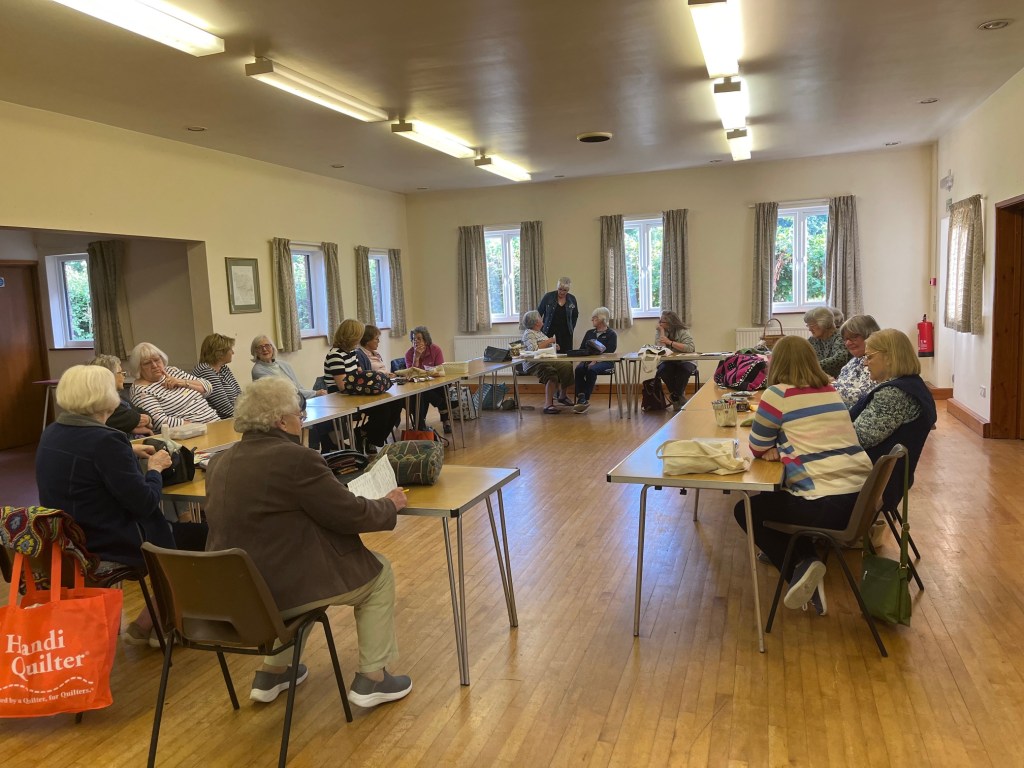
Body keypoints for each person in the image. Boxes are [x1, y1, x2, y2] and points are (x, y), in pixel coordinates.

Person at [204, 377, 413, 708]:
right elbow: (349, 514)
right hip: (279, 588)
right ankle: (373, 678)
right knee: (378, 573)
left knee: (314, 575)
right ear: (280, 421)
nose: (302, 421)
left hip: (237, 593)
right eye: (298, 415)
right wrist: (389, 505)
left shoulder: (219, 462)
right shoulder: (296, 459)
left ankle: (273, 672)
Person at [36, 364, 175, 646]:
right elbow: (145, 503)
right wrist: (155, 469)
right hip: (103, 542)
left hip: (65, 538)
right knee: (190, 537)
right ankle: (157, 622)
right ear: (106, 397)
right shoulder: (107, 441)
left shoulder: (52, 431)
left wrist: (128, 450)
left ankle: (148, 624)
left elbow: (85, 457)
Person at [732, 336, 872, 616]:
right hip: (862, 500)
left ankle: (800, 568)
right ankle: (805, 561)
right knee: (781, 496)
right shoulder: (830, 391)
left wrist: (773, 446)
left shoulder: (778, 394)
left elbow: (757, 446)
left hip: (824, 502)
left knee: (747, 508)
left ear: (777, 363)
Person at [850, 328, 937, 512]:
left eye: (869, 357)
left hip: (872, 482)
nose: (865, 363)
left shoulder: (894, 394)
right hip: (888, 477)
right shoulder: (913, 384)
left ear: (889, 357)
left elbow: (856, 440)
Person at [325, 319, 402, 450]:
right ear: (352, 336)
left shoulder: (351, 353)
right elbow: (342, 386)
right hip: (341, 398)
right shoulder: (335, 355)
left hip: (355, 394)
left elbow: (360, 375)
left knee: (395, 402)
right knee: (383, 410)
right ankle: (368, 438)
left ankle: (367, 436)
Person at [127, 342, 219, 430]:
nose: (154, 365)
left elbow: (208, 388)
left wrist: (182, 382)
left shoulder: (172, 371)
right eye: (147, 363)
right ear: (138, 368)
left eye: (156, 360)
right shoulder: (140, 391)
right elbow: (160, 422)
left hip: (215, 422)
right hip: (190, 432)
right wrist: (199, 427)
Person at [521, 309, 574, 414]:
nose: (542, 319)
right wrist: (549, 341)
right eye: (540, 318)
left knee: (567, 366)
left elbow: (546, 346)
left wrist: (554, 346)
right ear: (536, 322)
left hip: (547, 359)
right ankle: (548, 404)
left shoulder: (540, 333)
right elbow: (534, 350)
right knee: (550, 373)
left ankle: (562, 396)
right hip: (533, 362)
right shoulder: (529, 333)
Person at [537, 277, 579, 405]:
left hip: (566, 334)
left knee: (566, 363)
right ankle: (551, 396)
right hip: (548, 332)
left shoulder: (572, 299)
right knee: (550, 362)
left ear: (568, 290)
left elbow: (575, 315)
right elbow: (538, 313)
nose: (562, 292)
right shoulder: (548, 297)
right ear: (557, 287)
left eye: (565, 290)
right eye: (560, 289)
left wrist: (571, 328)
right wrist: (539, 331)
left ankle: (563, 395)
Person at [90, 354, 154, 435]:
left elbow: (140, 412)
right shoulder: (101, 402)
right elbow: (131, 417)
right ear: (109, 376)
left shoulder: (120, 397)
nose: (124, 376)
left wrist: (148, 419)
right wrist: (136, 421)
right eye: (120, 372)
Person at [405, 325, 452, 434]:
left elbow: (440, 370)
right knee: (422, 392)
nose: (416, 341)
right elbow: (411, 375)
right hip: (418, 385)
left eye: (419, 339)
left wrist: (430, 374)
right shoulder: (409, 354)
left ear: (426, 341)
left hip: (434, 382)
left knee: (443, 387)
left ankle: (445, 421)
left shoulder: (435, 350)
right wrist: (416, 357)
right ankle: (439, 407)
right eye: (413, 339)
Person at [250, 335, 327, 399]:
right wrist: (315, 393)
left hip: (297, 401)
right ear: (255, 351)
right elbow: (284, 393)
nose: (264, 349)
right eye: (260, 347)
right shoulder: (258, 371)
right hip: (279, 406)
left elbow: (299, 387)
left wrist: (313, 394)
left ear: (272, 348)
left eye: (267, 345)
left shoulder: (285, 365)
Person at [572, 307, 617, 414]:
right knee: (578, 369)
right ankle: (581, 397)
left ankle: (584, 399)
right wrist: (585, 359)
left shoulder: (611, 334)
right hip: (588, 360)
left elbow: (609, 352)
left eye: (594, 318)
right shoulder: (589, 333)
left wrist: (596, 361)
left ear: (601, 319)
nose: (592, 320)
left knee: (591, 370)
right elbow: (582, 349)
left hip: (606, 362)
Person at [833, 314, 881, 407]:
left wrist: (828, 386)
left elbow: (866, 396)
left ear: (869, 336)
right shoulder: (854, 361)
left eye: (853, 337)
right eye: (845, 339)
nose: (848, 343)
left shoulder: (875, 362)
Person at [192, 333, 242, 418]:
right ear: (220, 353)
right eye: (230, 350)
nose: (233, 353)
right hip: (220, 420)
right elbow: (224, 407)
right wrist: (245, 417)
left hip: (234, 417)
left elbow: (240, 394)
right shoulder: (205, 370)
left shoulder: (224, 368)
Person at [655, 310, 697, 410]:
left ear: (669, 323)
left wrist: (670, 342)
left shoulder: (682, 331)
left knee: (684, 370)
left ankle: (675, 396)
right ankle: (679, 397)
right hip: (668, 361)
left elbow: (690, 348)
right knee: (663, 370)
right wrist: (662, 332)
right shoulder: (660, 331)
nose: (659, 324)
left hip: (686, 360)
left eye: (662, 322)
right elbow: (660, 350)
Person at [804, 306, 850, 378]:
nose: (809, 329)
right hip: (821, 378)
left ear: (824, 323)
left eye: (811, 325)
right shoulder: (813, 340)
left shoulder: (840, 337)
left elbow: (840, 358)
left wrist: (813, 366)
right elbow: (801, 353)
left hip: (839, 378)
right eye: (808, 325)